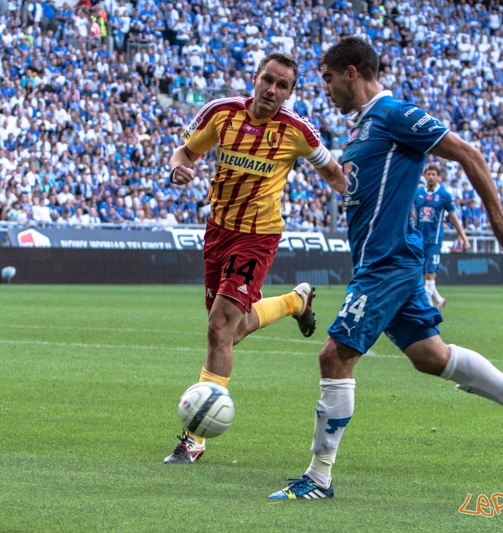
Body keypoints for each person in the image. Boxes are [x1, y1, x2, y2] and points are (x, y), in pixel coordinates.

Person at [269, 37, 503, 500]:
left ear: (351, 72)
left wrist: (498, 219)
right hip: (389, 262)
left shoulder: (394, 114)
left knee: (334, 357)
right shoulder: (363, 128)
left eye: (326, 78)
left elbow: (468, 153)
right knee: (430, 357)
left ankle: (318, 478)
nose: (323, 89)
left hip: (387, 265)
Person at [164, 52, 345, 464]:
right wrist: (178, 170)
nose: (272, 90)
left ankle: (193, 438)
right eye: (268, 79)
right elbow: (184, 153)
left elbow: (336, 175)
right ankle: (294, 302)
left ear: (290, 93)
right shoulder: (221, 114)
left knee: (218, 328)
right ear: (256, 77)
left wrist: (360, 190)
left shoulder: (297, 131)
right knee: (231, 330)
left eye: (283, 86)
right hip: (218, 232)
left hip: (258, 237)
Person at [413, 164, 470, 310]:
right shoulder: (418, 193)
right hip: (419, 241)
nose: (431, 177)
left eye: (434, 174)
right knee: (421, 277)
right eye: (428, 174)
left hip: (434, 241)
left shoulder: (444, 195)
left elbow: (453, 217)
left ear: (438, 177)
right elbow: (412, 215)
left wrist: (464, 237)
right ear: (425, 176)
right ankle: (438, 300)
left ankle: (425, 310)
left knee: (430, 276)